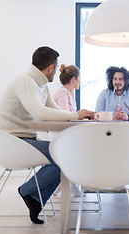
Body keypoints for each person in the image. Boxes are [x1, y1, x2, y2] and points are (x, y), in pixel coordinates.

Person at [0, 46, 95, 224]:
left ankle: (36, 199)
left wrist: (80, 117)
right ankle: (27, 190)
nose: (56, 71)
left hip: (24, 140)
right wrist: (75, 115)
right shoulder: (25, 81)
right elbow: (40, 112)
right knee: (64, 156)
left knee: (65, 155)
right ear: (50, 68)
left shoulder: (41, 86)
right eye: (56, 68)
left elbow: (56, 111)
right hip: (12, 141)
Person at [52, 64, 83, 197]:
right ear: (73, 79)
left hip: (65, 132)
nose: (80, 81)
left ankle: (71, 183)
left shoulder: (69, 92)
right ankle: (67, 184)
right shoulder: (62, 92)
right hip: (58, 134)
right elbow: (66, 116)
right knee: (79, 150)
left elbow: (71, 116)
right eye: (79, 78)